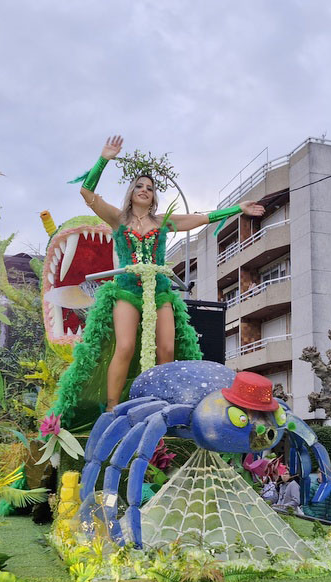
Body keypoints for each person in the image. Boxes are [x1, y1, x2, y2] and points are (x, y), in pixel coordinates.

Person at [50, 135, 265, 426]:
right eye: (139, 186)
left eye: (150, 188)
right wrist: (103, 160)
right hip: (127, 290)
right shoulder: (118, 219)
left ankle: (164, 406)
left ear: (154, 197)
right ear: (131, 192)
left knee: (167, 350)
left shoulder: (163, 221)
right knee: (125, 347)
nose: (144, 190)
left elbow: (202, 218)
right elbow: (86, 191)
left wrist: (238, 208)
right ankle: (112, 409)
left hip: (160, 291)